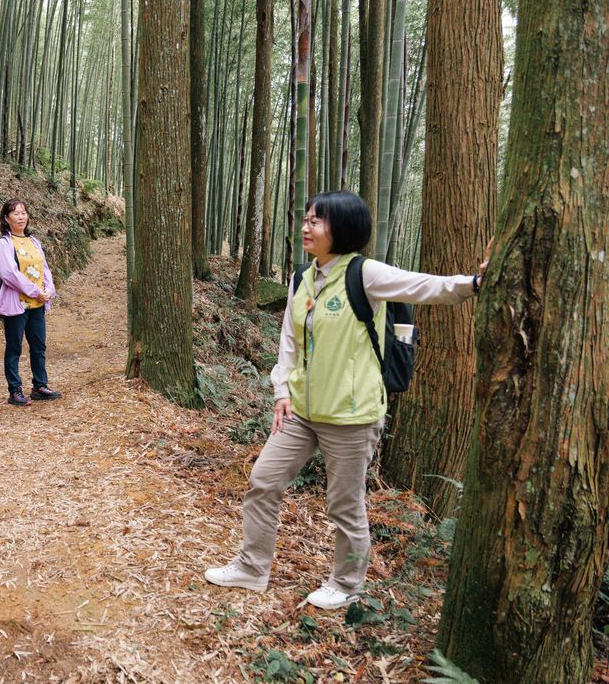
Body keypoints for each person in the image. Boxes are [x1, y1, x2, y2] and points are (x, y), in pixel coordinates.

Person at [203, 191, 489, 610]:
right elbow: (288, 340)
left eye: (317, 220)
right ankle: (251, 567)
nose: (306, 226)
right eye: (306, 219)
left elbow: (425, 286)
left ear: (343, 228)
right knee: (263, 481)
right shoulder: (302, 278)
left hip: (351, 418)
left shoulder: (365, 274)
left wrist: (475, 284)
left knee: (344, 505)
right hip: (302, 411)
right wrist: (282, 390)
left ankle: (347, 581)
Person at [0, 200, 62, 406]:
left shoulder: (34, 241)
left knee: (38, 346)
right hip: (16, 304)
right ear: (6, 218)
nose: (20, 217)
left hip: (38, 304)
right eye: (15, 213)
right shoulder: (3, 244)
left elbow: (44, 268)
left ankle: (40, 385)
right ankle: (15, 390)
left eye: (23, 213)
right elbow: (8, 274)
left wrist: (49, 290)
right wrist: (35, 291)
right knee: (14, 347)